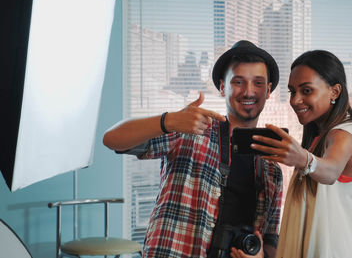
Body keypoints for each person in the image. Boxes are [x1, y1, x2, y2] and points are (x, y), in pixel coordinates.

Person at [103, 40, 283, 258]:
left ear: (269, 90)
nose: (248, 91)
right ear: (223, 87)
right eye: (238, 82)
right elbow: (112, 139)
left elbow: (271, 238)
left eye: (258, 83)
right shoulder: (190, 129)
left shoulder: (271, 169)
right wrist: (168, 121)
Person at [250, 50, 352, 258]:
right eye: (292, 91)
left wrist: (305, 160)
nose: (295, 100)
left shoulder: (343, 135)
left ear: (335, 92)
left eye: (306, 90)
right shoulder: (320, 138)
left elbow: (331, 170)